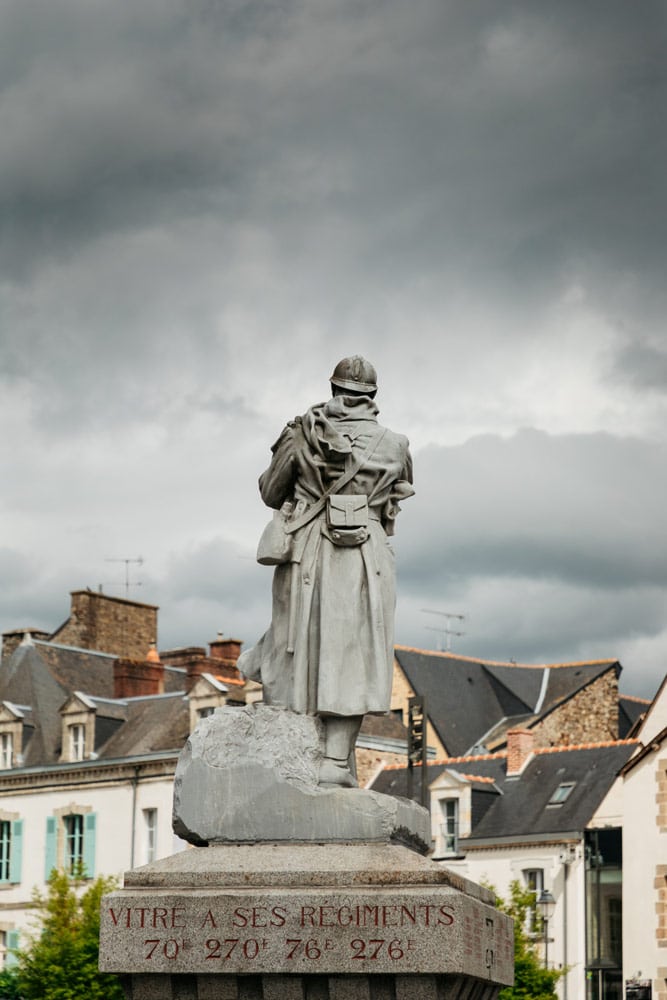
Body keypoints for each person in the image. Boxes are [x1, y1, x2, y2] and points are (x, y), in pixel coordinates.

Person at [238, 356, 414, 787]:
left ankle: (291, 750)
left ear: (334, 390)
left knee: (293, 644)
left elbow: (269, 491)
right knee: (352, 653)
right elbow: (399, 494)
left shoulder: (303, 433)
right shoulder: (395, 443)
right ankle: (335, 762)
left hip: (310, 549)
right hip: (367, 556)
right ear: (372, 397)